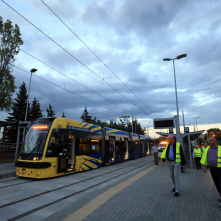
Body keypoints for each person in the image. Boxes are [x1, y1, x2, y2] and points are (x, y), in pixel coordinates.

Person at [201, 137, 221, 210]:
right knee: (216, 183)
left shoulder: (220, 148)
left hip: (220, 169)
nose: (209, 141)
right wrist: (204, 166)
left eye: (210, 140)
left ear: (215, 141)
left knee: (220, 183)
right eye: (209, 140)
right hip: (212, 169)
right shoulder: (207, 149)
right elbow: (204, 158)